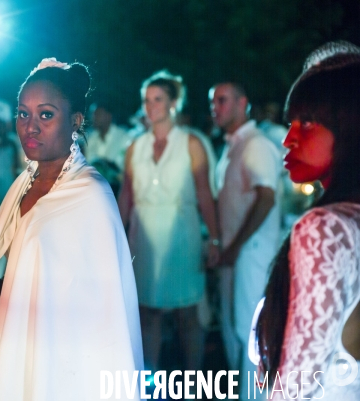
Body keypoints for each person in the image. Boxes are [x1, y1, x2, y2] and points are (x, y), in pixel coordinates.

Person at [0, 58, 143, 400]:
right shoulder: (24, 182)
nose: (30, 127)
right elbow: (36, 272)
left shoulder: (90, 194)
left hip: (65, 358)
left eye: (46, 114)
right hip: (17, 337)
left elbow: (103, 305)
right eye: (23, 114)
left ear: (75, 120)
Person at [254, 41, 360, 400]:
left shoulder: (325, 229)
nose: (288, 139)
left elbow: (298, 385)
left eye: (309, 122)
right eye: (291, 122)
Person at [118, 70, 219, 373]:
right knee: (147, 312)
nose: (151, 107)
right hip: (143, 237)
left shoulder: (192, 143)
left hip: (181, 235)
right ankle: (149, 384)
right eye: (147, 101)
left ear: (174, 103)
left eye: (158, 99)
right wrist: (117, 236)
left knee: (187, 312)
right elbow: (126, 195)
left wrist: (214, 238)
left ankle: (191, 381)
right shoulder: (136, 147)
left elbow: (204, 194)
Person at [210, 81, 281, 398]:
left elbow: (266, 198)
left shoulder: (257, 144)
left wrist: (236, 246)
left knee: (250, 336)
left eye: (223, 101)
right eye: (213, 102)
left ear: (243, 103)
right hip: (232, 254)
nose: (216, 108)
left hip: (252, 255)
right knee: (233, 333)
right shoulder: (232, 145)